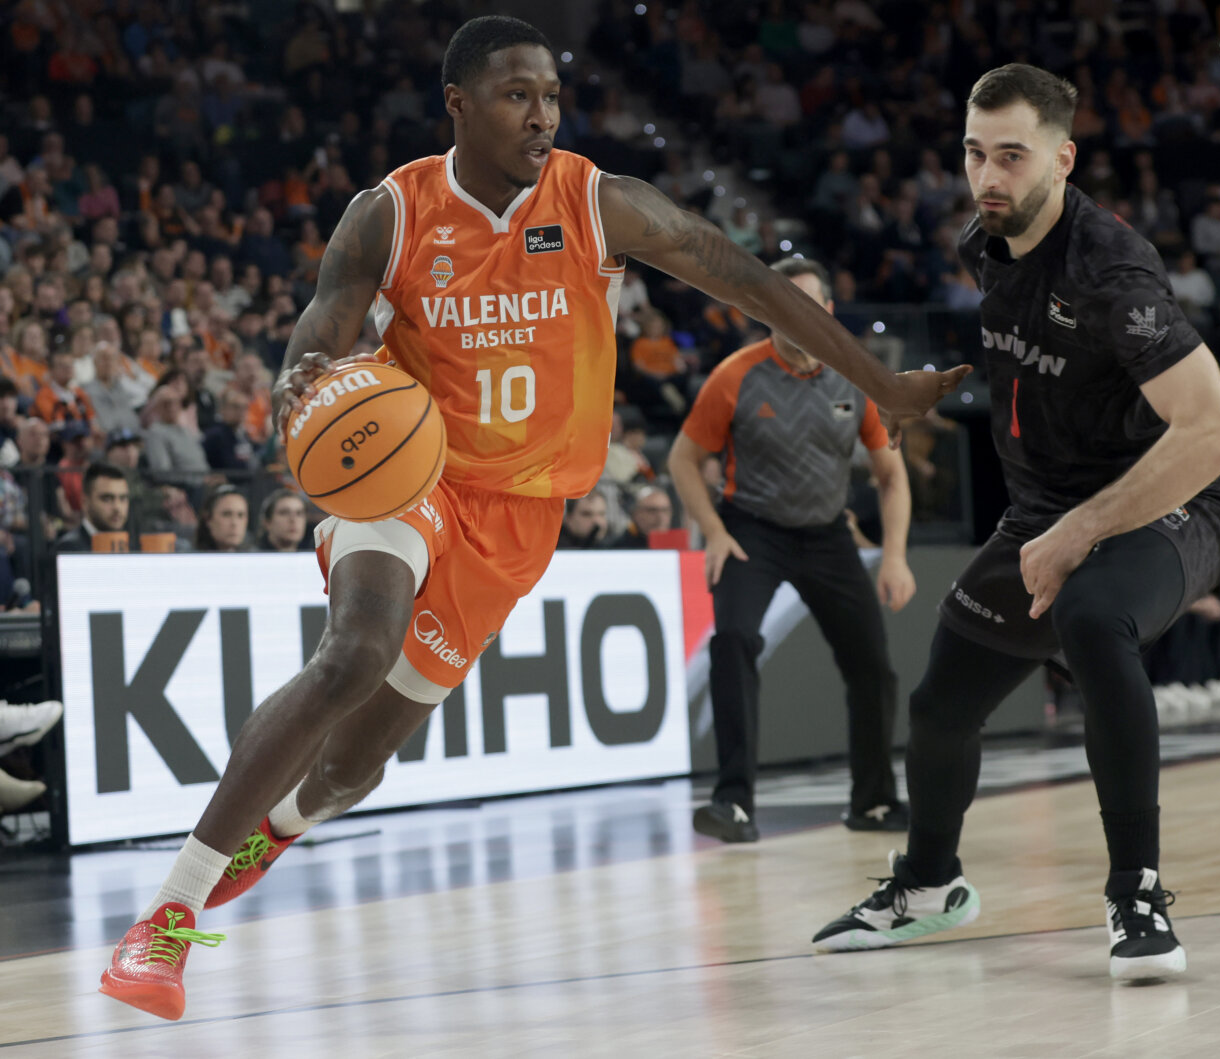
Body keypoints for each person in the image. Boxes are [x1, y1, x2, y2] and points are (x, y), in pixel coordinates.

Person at [99, 16, 966, 1021]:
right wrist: (303, 390)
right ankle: (164, 921)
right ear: (457, 105)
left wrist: (882, 387)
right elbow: (322, 328)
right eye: (516, 95)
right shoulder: (389, 213)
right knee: (354, 649)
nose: (542, 114)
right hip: (404, 469)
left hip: (518, 517)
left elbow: (753, 284)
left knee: (355, 765)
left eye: (550, 94)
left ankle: (277, 824)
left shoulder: (599, 204)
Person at [810, 65, 1220, 982]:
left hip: (1173, 502)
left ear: (1064, 156)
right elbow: (1041, 369)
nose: (988, 176)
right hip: (1048, 511)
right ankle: (930, 883)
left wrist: (1079, 530)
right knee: (938, 709)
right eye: (975, 153)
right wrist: (936, 388)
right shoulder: (987, 239)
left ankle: (1137, 888)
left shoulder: (1109, 267)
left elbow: (1214, 432)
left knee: (1093, 618)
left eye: (1012, 155)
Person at [671, 258, 914, 843]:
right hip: (752, 529)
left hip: (828, 533)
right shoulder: (735, 375)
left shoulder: (858, 378)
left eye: (807, 303)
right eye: (782, 303)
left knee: (872, 668)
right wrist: (714, 530)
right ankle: (734, 804)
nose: (795, 314)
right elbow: (682, 459)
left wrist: (896, 554)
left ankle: (874, 801)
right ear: (764, 309)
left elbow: (891, 476)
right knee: (732, 641)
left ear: (827, 311)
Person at [54, 462, 131, 552]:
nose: (117, 507)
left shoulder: (134, 547)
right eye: (107, 499)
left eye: (123, 498)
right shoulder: (68, 549)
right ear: (85, 502)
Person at [194, 485, 249, 553]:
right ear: (208, 519)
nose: (234, 523)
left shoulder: (256, 558)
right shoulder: (190, 558)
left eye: (240, 515)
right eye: (226, 514)